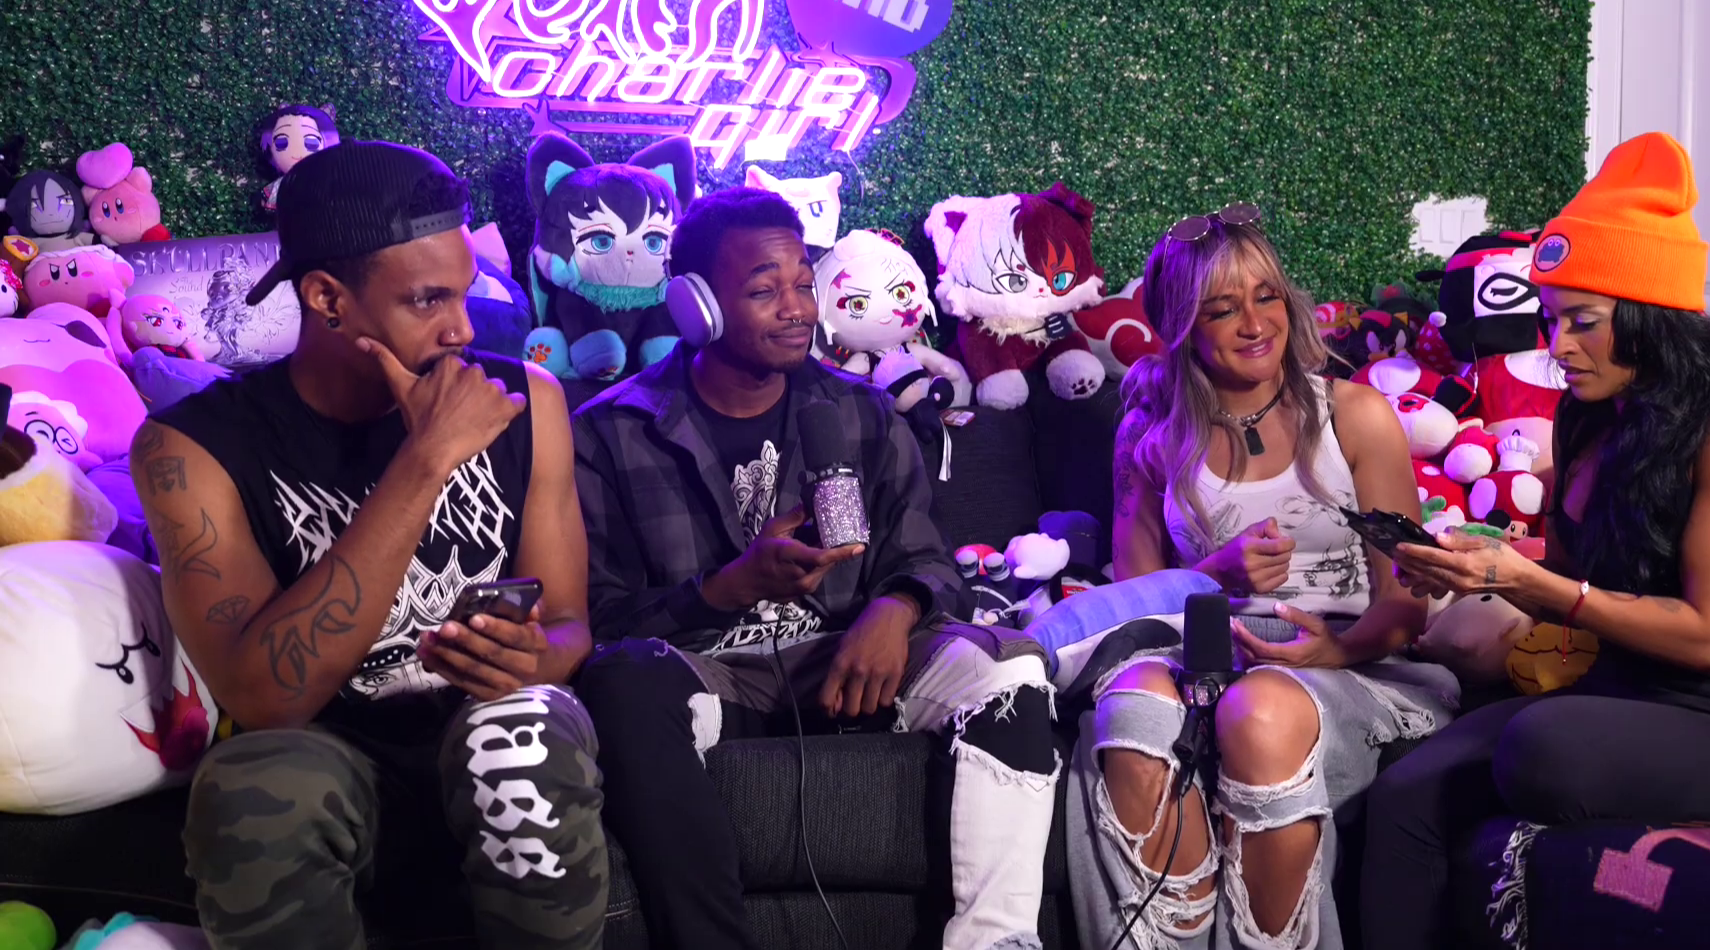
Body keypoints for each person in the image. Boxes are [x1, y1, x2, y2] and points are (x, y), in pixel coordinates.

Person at [132, 140, 607, 950]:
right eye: (427, 300)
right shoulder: (192, 447)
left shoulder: (526, 399)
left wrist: (534, 658)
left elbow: (568, 624)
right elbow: (265, 700)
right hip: (332, 757)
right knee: (252, 785)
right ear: (327, 298)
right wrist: (424, 462)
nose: (462, 328)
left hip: (493, 730)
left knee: (517, 741)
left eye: (463, 292)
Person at [571, 186, 1060, 950]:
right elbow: (596, 619)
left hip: (853, 665)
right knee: (621, 681)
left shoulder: (861, 411)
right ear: (696, 306)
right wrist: (725, 589)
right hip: (708, 673)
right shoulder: (611, 433)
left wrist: (893, 609)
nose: (797, 308)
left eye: (803, 283)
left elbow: (926, 558)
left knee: (1013, 670)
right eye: (765, 290)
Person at [1362, 132, 1710, 949]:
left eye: (1583, 322)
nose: (1557, 346)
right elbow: (1575, 577)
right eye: (1550, 320)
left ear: (1649, 318)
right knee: (1402, 790)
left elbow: (1708, 637)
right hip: (1620, 684)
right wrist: (1472, 566)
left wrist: (1526, 584)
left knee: (1540, 746)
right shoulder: (1591, 414)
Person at [1069, 206, 1457, 950]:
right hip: (1203, 656)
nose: (1254, 324)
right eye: (1222, 309)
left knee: (1259, 709)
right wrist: (1211, 575)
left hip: (1351, 661)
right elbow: (1133, 611)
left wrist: (1332, 650)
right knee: (1133, 702)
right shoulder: (1150, 433)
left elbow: (1408, 602)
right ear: (1182, 325)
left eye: (1266, 296)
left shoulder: (1354, 415)